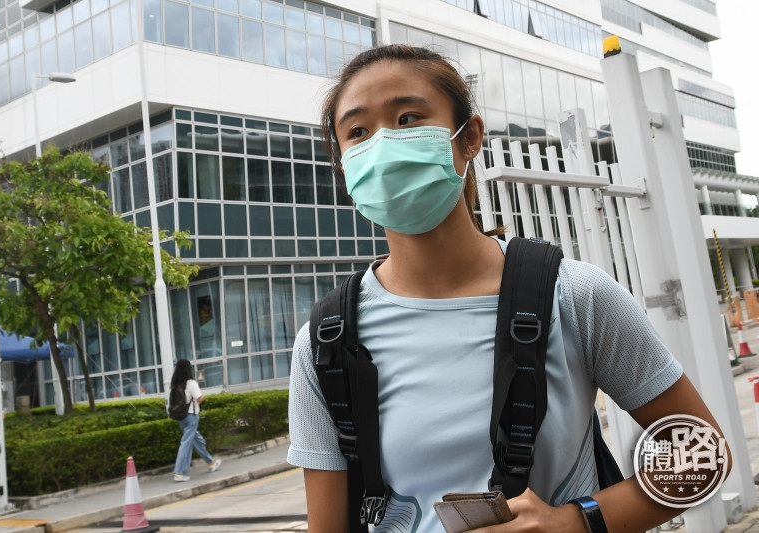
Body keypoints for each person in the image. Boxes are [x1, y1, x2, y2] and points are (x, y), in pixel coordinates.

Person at [286, 44, 731, 532]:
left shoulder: (575, 296)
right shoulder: (326, 341)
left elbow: (702, 454)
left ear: (469, 136)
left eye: (409, 118)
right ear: (345, 165)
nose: (385, 145)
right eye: (358, 132)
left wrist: (576, 524)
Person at [169, 358, 221, 482]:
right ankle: (179, 473)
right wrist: (204, 396)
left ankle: (211, 463)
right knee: (186, 443)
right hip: (191, 416)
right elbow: (198, 398)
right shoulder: (191, 383)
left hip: (181, 417)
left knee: (197, 440)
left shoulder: (175, 384)